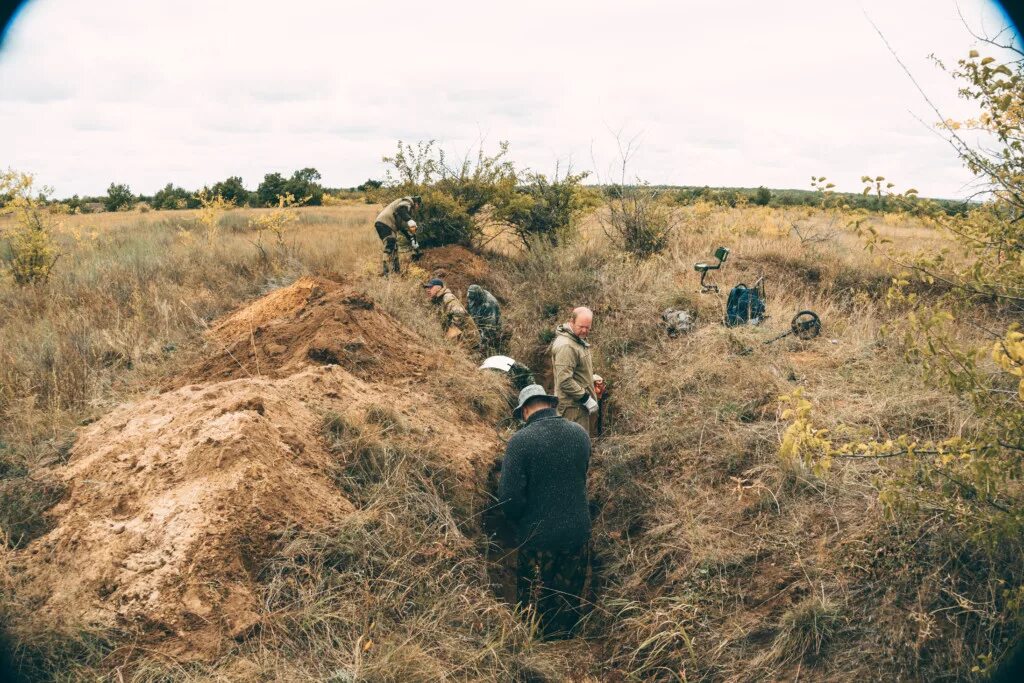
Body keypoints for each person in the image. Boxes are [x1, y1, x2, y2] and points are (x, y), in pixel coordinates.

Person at [498, 384, 591, 638]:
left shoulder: (520, 442)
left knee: (533, 608)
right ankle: (567, 646)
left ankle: (537, 648)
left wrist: (518, 525)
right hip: (577, 533)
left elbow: (509, 498)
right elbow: (581, 477)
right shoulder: (580, 434)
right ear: (550, 404)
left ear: (525, 411)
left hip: (538, 538)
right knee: (567, 601)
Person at [549, 307, 597, 435]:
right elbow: (564, 380)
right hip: (572, 409)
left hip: (578, 407)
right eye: (581, 326)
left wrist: (590, 378)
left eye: (588, 327)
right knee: (573, 448)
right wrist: (586, 398)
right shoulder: (567, 346)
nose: (584, 330)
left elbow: (575, 369)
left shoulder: (577, 340)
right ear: (571, 322)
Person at [374, 195, 421, 276]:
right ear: (416, 203)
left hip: (385, 224)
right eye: (418, 206)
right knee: (390, 244)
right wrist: (409, 220)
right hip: (385, 223)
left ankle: (396, 271)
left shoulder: (406, 211)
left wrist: (413, 241)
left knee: (394, 247)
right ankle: (386, 273)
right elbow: (400, 209)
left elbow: (404, 229)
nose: (417, 208)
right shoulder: (407, 201)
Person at [467, 284, 504, 354]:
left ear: (478, 295)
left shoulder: (489, 304)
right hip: (479, 323)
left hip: (491, 327)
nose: (470, 300)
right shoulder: (472, 296)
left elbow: (489, 328)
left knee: (488, 346)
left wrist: (481, 344)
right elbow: (470, 310)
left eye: (472, 298)